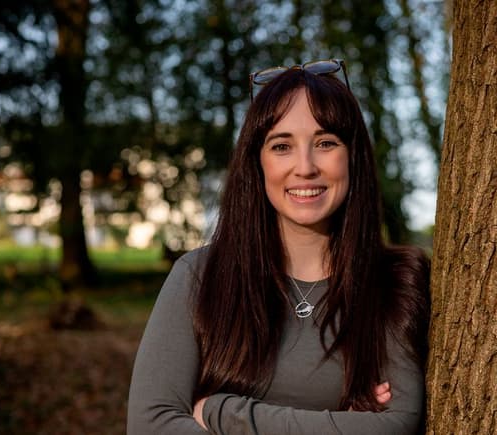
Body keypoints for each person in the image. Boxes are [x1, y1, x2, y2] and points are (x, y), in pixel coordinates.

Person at [127, 58, 430, 435]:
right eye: (282, 145)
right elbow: (150, 425)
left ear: (353, 156)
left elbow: (396, 425)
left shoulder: (396, 281)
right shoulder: (200, 276)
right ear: (257, 162)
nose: (304, 167)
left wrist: (225, 412)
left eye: (325, 143)